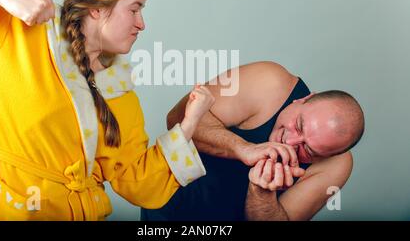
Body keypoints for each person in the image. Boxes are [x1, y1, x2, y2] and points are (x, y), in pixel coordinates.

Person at [0, 0, 215, 221]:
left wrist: (189, 124)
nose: (141, 24)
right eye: (134, 9)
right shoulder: (17, 33)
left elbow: (137, 183)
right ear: (97, 7)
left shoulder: (121, 93)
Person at [142, 61, 364, 220]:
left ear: (328, 155)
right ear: (304, 98)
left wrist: (262, 193)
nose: (290, 141)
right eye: (299, 125)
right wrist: (244, 149)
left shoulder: (337, 165)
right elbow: (176, 119)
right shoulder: (269, 83)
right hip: (169, 208)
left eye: (307, 149)